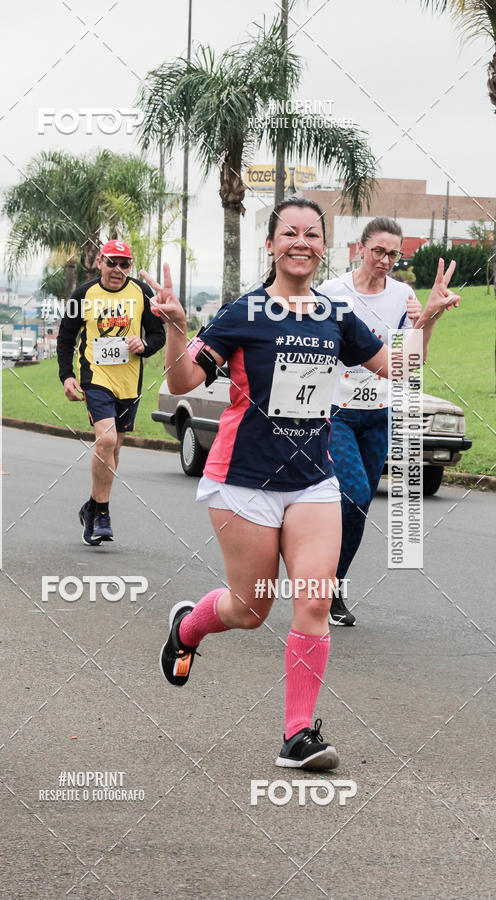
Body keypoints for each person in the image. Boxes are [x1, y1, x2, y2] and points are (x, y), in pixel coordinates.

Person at [142, 198, 459, 770]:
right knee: (250, 608)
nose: (301, 242)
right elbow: (185, 380)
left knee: (313, 600)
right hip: (244, 479)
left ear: (324, 247)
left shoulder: (336, 315)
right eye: (289, 232)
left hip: (313, 479)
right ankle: (187, 628)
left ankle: (298, 735)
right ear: (270, 245)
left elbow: (400, 370)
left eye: (312, 234)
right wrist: (175, 328)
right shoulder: (244, 312)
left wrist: (427, 318)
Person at [317, 218, 425, 626]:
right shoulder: (332, 292)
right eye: (378, 250)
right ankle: (318, 574)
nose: (385, 260)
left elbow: (413, 359)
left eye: (393, 254)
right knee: (356, 493)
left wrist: (425, 319)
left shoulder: (403, 295)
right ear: (360, 248)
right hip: (336, 412)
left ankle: (333, 588)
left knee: (359, 507)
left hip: (379, 414)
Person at [57, 239, 166, 545]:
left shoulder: (142, 293)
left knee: (114, 448)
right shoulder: (83, 295)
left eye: (124, 264)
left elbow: (158, 334)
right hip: (96, 377)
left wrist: (144, 345)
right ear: (100, 262)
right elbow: (66, 337)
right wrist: (67, 376)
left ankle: (91, 507)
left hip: (129, 382)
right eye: (111, 262)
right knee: (105, 440)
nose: (118, 269)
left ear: (130, 266)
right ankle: (102, 514)